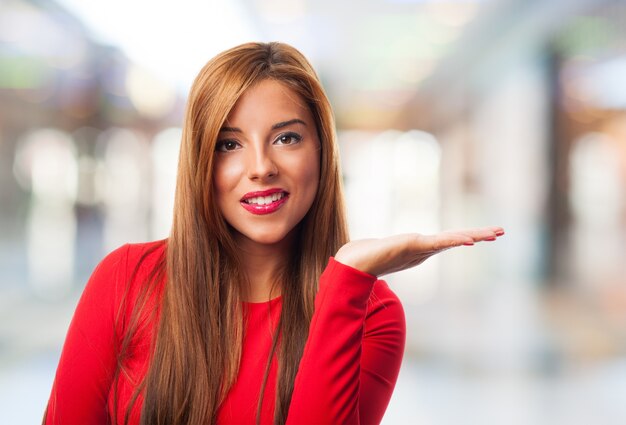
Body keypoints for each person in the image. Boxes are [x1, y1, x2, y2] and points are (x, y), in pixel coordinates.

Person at [43, 41, 504, 425]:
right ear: (200, 161)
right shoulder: (126, 280)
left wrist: (346, 279)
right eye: (230, 144)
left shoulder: (371, 313)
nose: (261, 167)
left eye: (287, 138)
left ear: (322, 152)